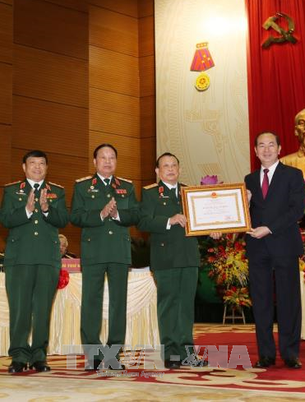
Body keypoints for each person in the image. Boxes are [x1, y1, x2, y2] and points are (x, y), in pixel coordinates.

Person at [138, 153, 219, 369]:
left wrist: (212, 229)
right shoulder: (151, 194)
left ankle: (187, 352)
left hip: (189, 256)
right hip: (165, 258)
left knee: (186, 308)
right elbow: (143, 222)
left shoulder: (190, 192)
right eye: (165, 166)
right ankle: (171, 353)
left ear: (180, 169)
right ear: (157, 171)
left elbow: (200, 221)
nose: (171, 169)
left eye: (174, 165)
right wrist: (169, 220)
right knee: (168, 306)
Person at [70, 144, 139, 370]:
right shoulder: (82, 186)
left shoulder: (126, 187)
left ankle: (113, 353)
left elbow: (136, 214)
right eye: (103, 158)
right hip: (94, 251)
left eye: (112, 158)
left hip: (119, 252)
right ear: (95, 162)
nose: (108, 161)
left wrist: (118, 214)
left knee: (119, 303)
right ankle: (93, 354)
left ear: (116, 162)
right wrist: (100, 214)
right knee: (91, 302)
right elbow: (76, 216)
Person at [1, 150, 69, 373]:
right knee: (19, 309)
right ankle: (19, 356)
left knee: (42, 310)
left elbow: (64, 221)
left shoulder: (56, 192)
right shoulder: (12, 191)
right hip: (19, 258)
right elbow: (5, 220)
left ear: (47, 168)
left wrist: (47, 209)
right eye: (33, 163)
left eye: (42, 164)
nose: (37, 167)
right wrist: (27, 210)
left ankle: (39, 355)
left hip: (47, 259)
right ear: (24, 167)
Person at [245, 131, 305, 369]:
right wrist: (244, 204)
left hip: (284, 245)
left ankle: (290, 354)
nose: (267, 149)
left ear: (280, 148)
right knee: (260, 302)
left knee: (288, 300)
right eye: (262, 145)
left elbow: (296, 210)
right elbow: (244, 214)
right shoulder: (249, 179)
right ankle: (266, 354)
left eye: (271, 145)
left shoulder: (293, 175)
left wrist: (269, 228)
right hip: (257, 247)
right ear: (255, 151)